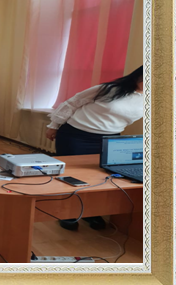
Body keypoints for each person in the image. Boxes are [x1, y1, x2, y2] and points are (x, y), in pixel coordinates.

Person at [45, 66, 143, 231]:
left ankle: (90, 212)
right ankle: (68, 213)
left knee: (99, 176)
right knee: (72, 175)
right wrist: (53, 125)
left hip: (109, 139)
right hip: (76, 135)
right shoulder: (109, 89)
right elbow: (73, 102)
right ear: (138, 75)